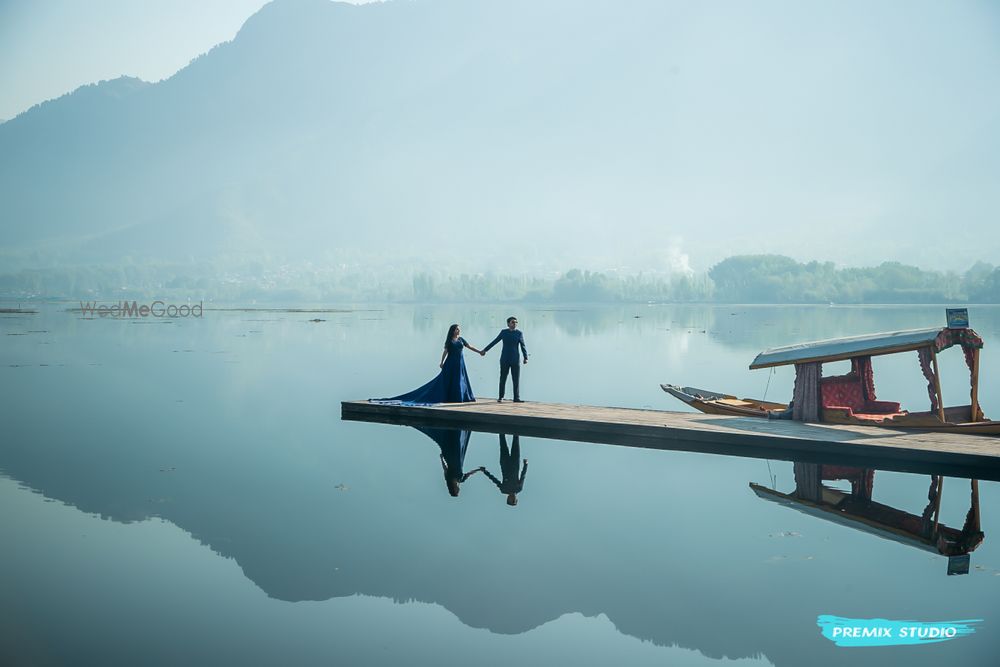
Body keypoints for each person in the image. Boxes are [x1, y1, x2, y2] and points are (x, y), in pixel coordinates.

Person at [378, 324, 484, 404]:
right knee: (449, 380)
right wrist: (441, 362)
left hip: (460, 364)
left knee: (461, 380)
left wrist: (479, 351)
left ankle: (461, 397)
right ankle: (452, 397)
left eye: (459, 329)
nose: (459, 330)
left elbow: (469, 346)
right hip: (451, 363)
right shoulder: (449, 341)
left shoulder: (461, 339)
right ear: (452, 331)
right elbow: (445, 352)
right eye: (457, 329)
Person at [482, 316, 528, 402]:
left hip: (515, 359)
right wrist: (485, 350)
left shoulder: (519, 333)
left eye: (516, 322)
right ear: (508, 324)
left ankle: (516, 398)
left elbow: (523, 345)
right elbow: (495, 341)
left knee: (516, 379)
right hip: (505, 359)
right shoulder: (504, 332)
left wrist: (525, 357)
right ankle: (501, 397)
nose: (514, 324)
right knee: (503, 378)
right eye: (512, 322)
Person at [480, 434, 528, 506]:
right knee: (516, 440)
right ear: (516, 499)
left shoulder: (504, 490)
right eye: (514, 500)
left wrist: (485, 471)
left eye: (510, 500)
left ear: (508, 498)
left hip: (504, 463)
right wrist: (525, 465)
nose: (512, 498)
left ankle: (501, 428)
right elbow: (523, 476)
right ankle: (516, 426)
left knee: (502, 443)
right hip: (515, 463)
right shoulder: (518, 488)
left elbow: (494, 480)